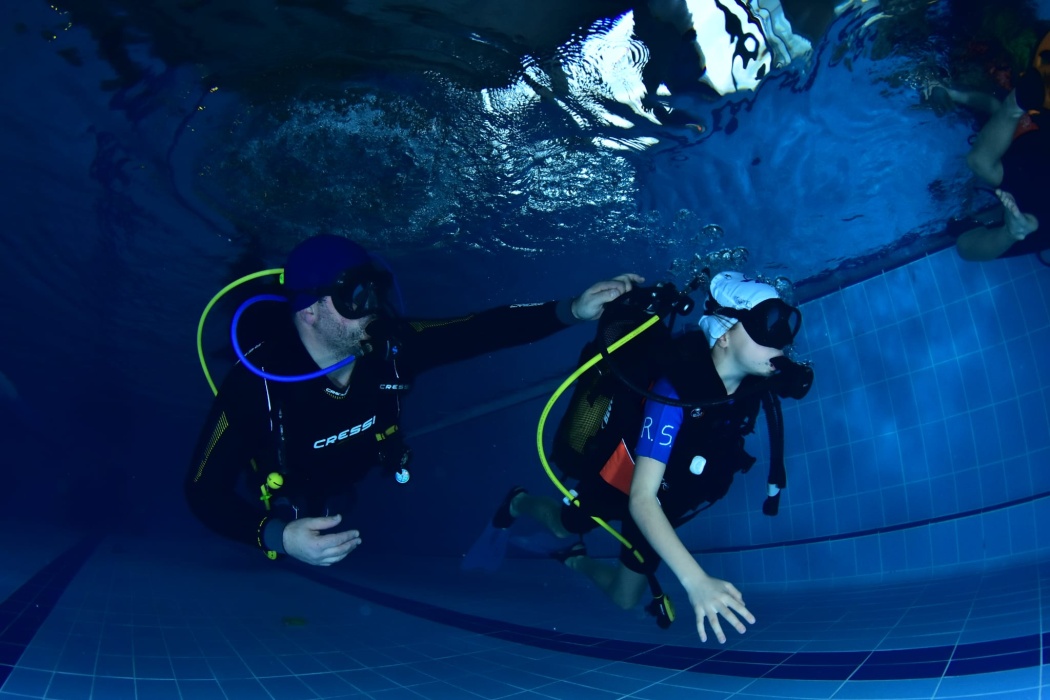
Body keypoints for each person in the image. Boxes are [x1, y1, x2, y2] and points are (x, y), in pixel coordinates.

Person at [185, 234, 643, 566]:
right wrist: (279, 537)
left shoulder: (392, 347)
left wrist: (571, 310)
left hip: (354, 471)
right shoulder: (257, 384)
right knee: (301, 505)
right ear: (309, 310)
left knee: (339, 497)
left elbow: (479, 330)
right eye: (354, 297)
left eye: (374, 291)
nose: (372, 310)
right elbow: (203, 490)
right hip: (290, 483)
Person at [478, 271, 813, 644]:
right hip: (621, 483)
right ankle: (519, 501)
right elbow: (641, 497)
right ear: (724, 334)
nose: (782, 343)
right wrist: (695, 580)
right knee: (561, 524)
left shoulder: (754, 387)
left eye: (786, 328)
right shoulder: (675, 393)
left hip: (665, 505)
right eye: (768, 327)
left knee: (625, 598)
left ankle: (575, 559)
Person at [935, 35, 1050, 261]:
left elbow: (966, 247)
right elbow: (993, 107)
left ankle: (1010, 230)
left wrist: (1010, 233)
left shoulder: (1037, 221)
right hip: (1023, 141)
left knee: (981, 163)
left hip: (1026, 195)